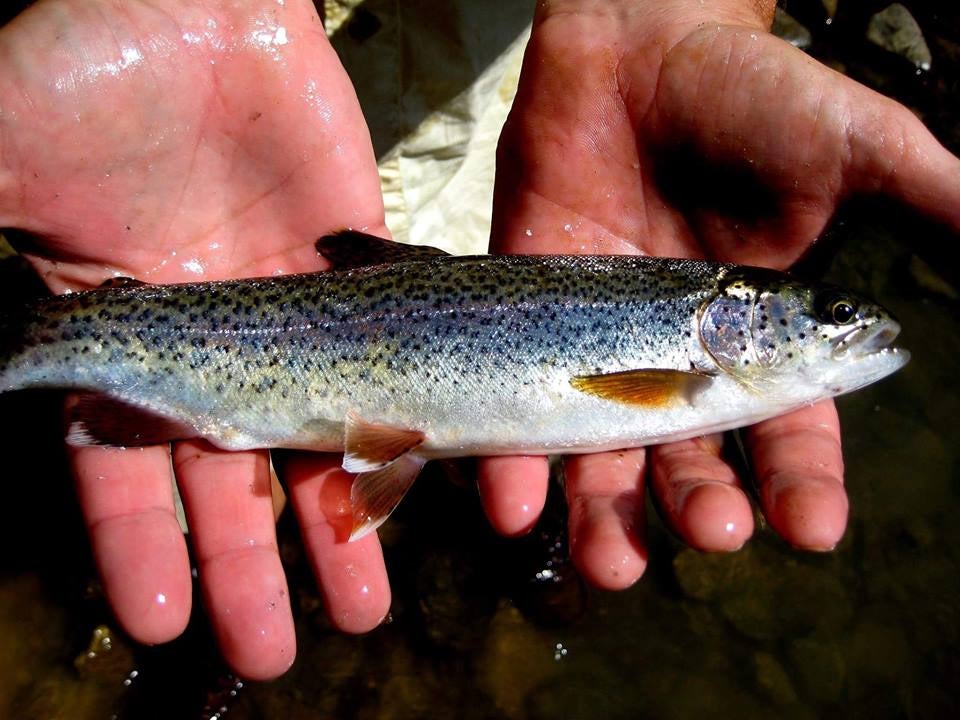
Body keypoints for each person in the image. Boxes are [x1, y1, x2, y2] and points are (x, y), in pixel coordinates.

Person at [0, 0, 956, 681]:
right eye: (829, 325)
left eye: (835, 322)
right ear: (735, 319)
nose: (853, 333)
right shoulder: (684, 364)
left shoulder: (696, 344)